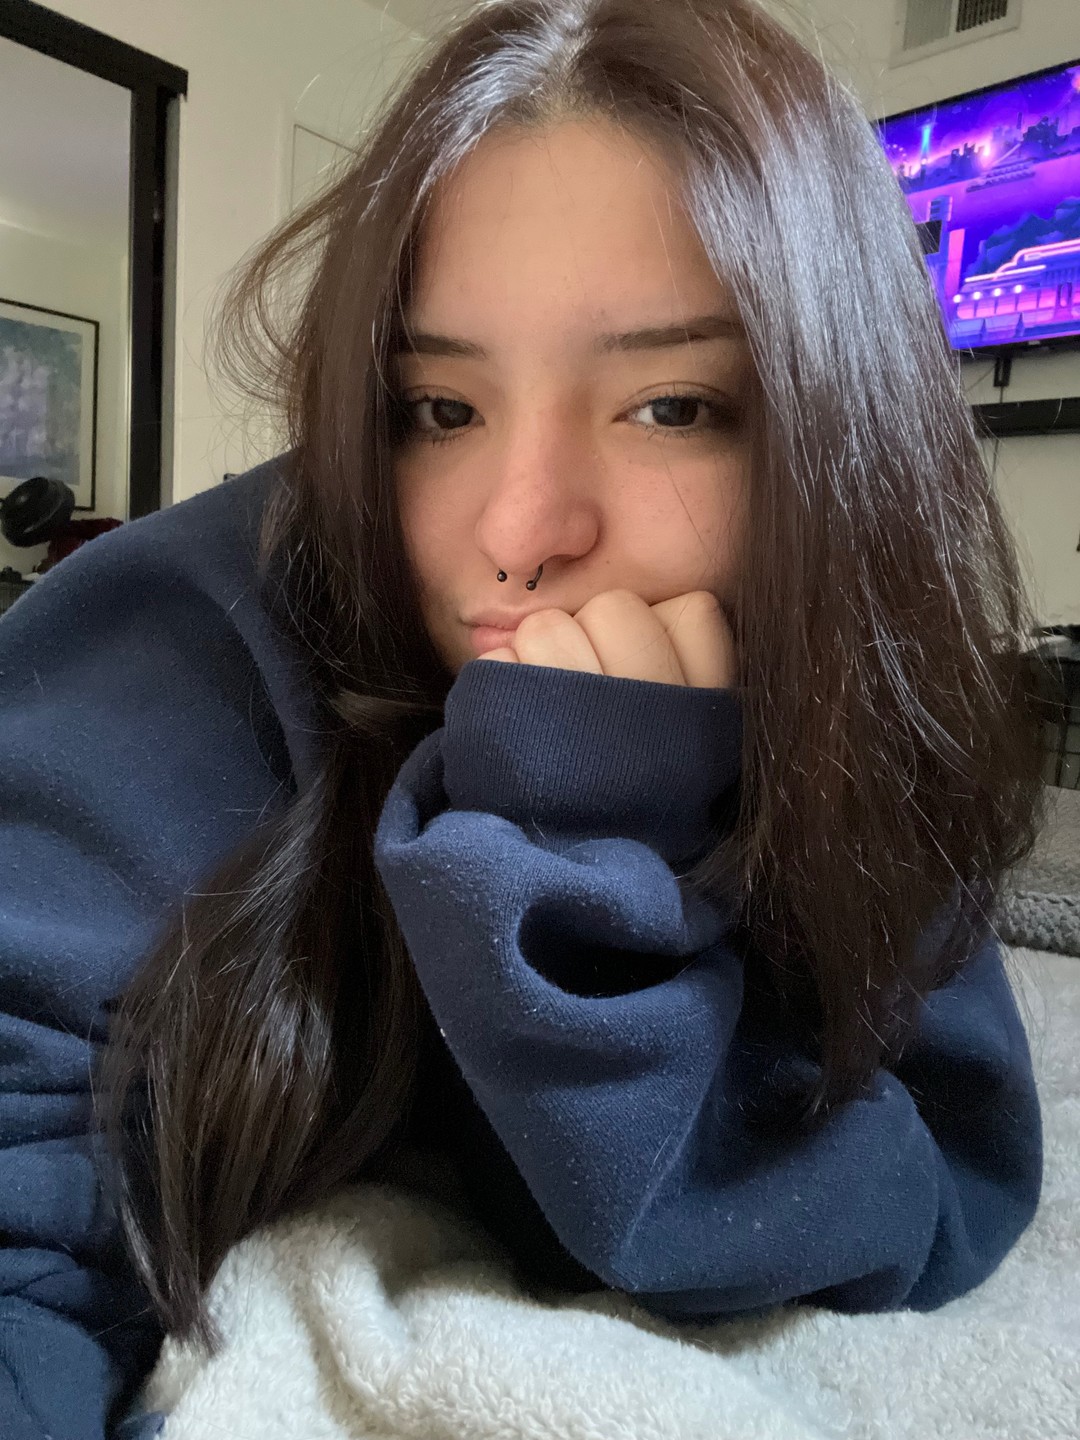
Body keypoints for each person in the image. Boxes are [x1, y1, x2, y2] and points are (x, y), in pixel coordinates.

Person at [0, 0, 1050, 1436]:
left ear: (837, 434)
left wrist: (596, 846)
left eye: (671, 406)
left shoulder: (855, 685)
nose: (518, 527)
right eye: (442, 409)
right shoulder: (187, 640)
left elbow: (943, 1184)